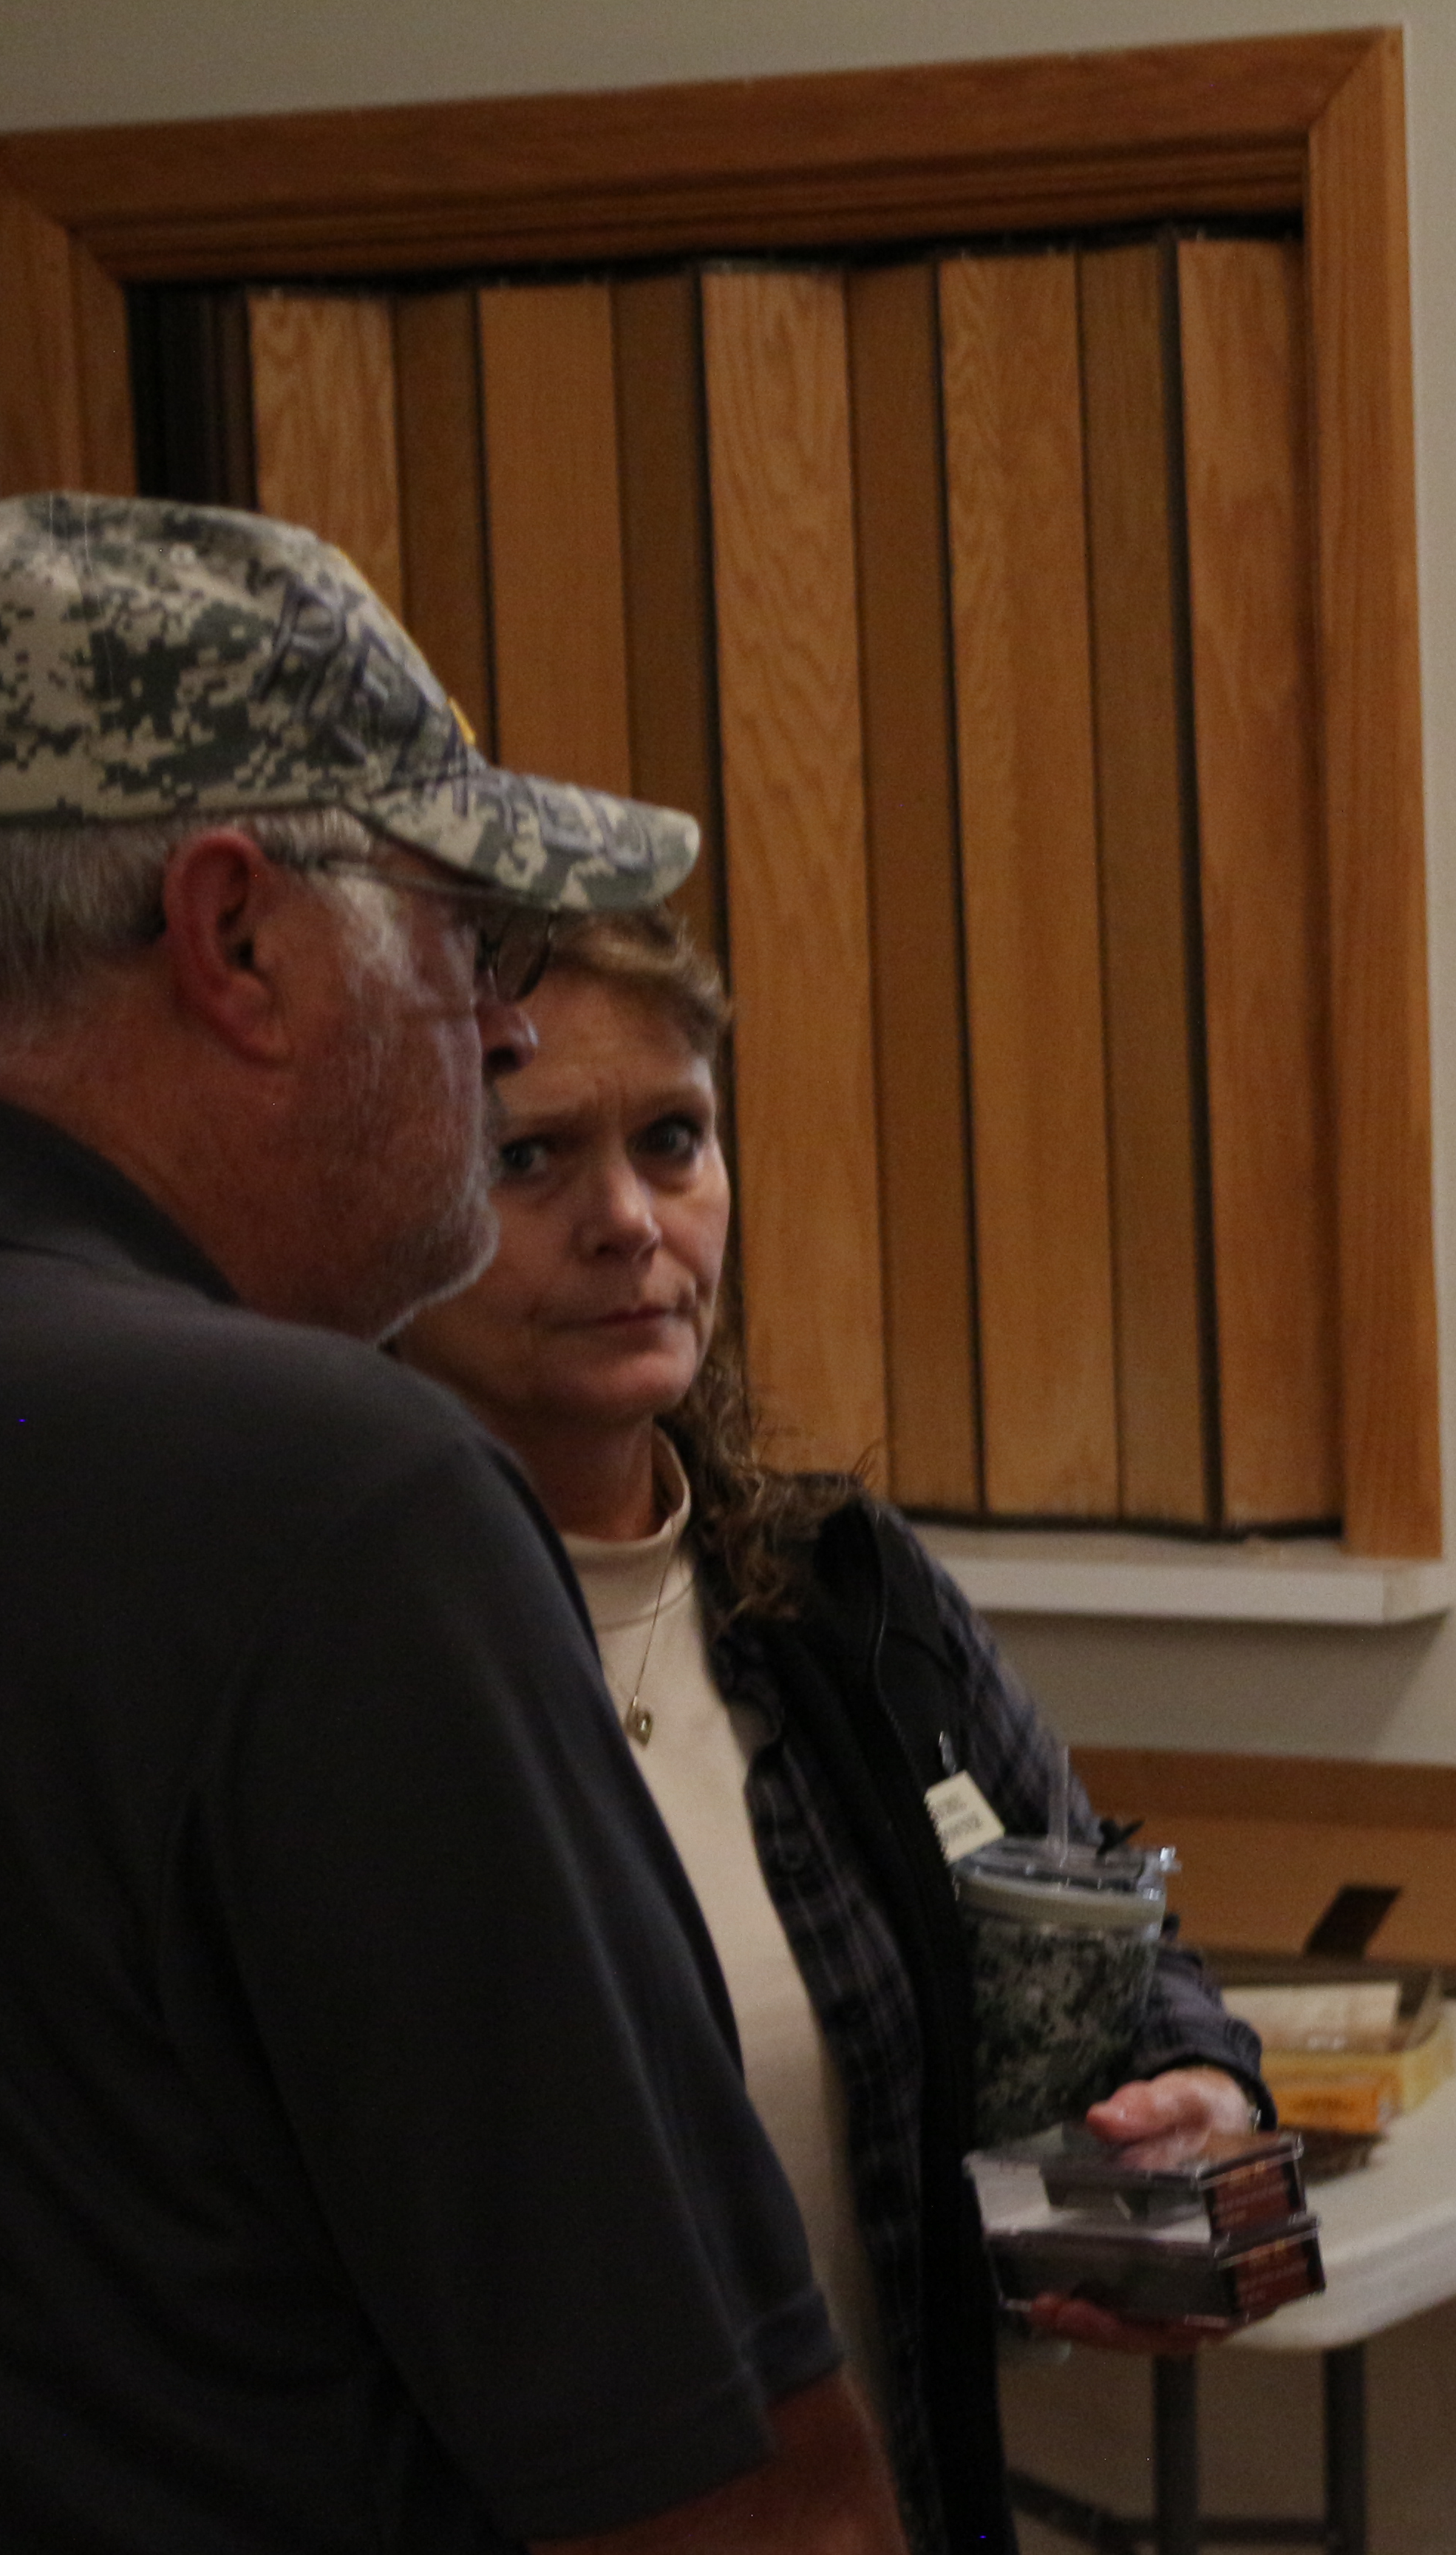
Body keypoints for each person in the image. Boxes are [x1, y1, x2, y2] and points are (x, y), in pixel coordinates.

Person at [0, 495, 905, 2550]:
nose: (503, 1026)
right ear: (235, 937)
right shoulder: (333, 1507)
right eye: (469, 939)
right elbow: (723, 2503)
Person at [392, 904, 1269, 2554]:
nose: (628, 1222)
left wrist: (1197, 2103)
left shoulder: (842, 1595)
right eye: (528, 1160)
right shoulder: (331, 1653)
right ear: (390, 1201)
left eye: (673, 1140)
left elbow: (1107, 1938)